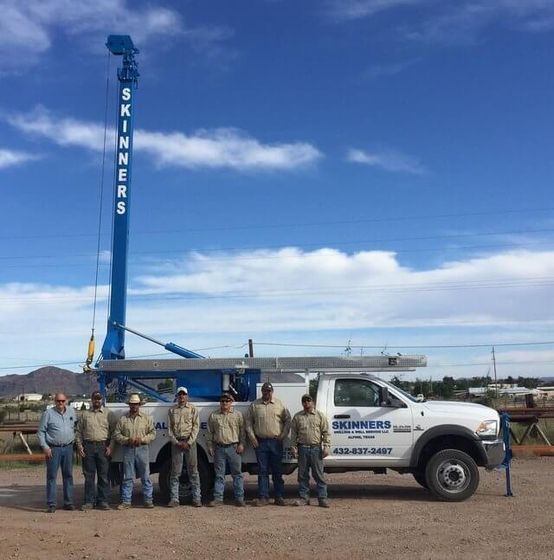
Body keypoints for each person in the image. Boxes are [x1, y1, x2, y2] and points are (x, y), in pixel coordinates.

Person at [246, 381, 291, 506]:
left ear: (272, 392)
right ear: (262, 392)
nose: (267, 393)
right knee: (262, 471)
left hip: (276, 442)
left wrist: (283, 435)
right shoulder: (255, 405)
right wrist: (252, 438)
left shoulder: (279, 404)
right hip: (260, 443)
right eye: (265, 391)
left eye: (269, 391)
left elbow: (288, 420)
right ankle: (263, 497)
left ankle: (279, 496)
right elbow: (248, 422)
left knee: (277, 470)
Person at [113, 394, 156, 509]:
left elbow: (152, 433)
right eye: (132, 404)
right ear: (129, 405)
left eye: (136, 404)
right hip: (128, 449)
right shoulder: (123, 419)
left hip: (142, 449)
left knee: (145, 476)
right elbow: (116, 434)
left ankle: (148, 500)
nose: (134, 406)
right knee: (127, 476)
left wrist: (142, 439)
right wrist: (127, 440)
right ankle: (126, 501)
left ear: (139, 405)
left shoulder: (147, 418)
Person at [75, 390, 115, 510]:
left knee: (103, 476)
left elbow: (114, 432)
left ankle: (103, 501)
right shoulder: (84, 414)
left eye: (99, 399)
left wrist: (111, 446)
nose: (97, 401)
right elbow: (78, 432)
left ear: (102, 400)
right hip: (88, 447)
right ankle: (89, 501)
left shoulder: (108, 414)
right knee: (89, 476)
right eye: (95, 399)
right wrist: (79, 446)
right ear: (91, 400)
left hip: (103, 446)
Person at [37, 392, 77, 513]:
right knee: (52, 477)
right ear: (55, 401)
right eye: (58, 401)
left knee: (68, 476)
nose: (60, 403)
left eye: (63, 401)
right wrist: (45, 447)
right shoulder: (48, 414)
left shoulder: (71, 412)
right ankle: (52, 504)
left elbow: (75, 427)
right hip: (53, 449)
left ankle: (68, 502)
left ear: (66, 401)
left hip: (68, 447)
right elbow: (41, 432)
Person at [290, 394, 331, 508]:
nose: (306, 403)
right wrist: (293, 447)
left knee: (318, 475)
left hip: (316, 449)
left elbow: (326, 432)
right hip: (302, 448)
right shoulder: (297, 417)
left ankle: (322, 499)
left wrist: (326, 446)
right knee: (302, 475)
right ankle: (304, 498)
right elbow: (293, 434)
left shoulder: (319, 416)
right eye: (304, 401)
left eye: (308, 400)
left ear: (313, 402)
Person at [207, 392, 246, 507]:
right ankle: (218, 498)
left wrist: (242, 444)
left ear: (231, 402)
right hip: (219, 448)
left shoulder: (237, 415)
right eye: (223, 401)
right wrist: (210, 446)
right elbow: (210, 433)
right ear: (220, 402)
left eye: (227, 401)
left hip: (234, 448)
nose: (225, 403)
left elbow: (242, 432)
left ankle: (239, 498)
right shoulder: (214, 416)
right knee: (219, 475)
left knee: (237, 474)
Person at [167, 386, 202, 507]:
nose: (181, 396)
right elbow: (169, 429)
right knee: (175, 472)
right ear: (177, 396)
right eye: (179, 394)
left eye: (184, 394)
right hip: (177, 443)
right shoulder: (172, 411)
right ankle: (174, 499)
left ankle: (197, 498)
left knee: (193, 471)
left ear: (187, 396)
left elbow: (196, 427)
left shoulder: (193, 409)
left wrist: (189, 442)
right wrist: (176, 442)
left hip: (190, 443)